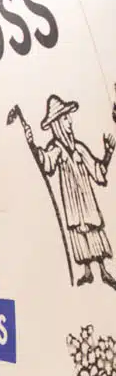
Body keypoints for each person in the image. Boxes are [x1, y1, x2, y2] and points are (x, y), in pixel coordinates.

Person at [21, 94, 116, 289]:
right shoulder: (56, 149)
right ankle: (87, 271)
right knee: (78, 233)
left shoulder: (79, 148)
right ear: (56, 123)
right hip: (72, 202)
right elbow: (46, 162)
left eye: (68, 117)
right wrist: (31, 144)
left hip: (87, 200)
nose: (69, 121)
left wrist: (108, 152)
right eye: (65, 118)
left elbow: (97, 170)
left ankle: (104, 270)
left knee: (94, 229)